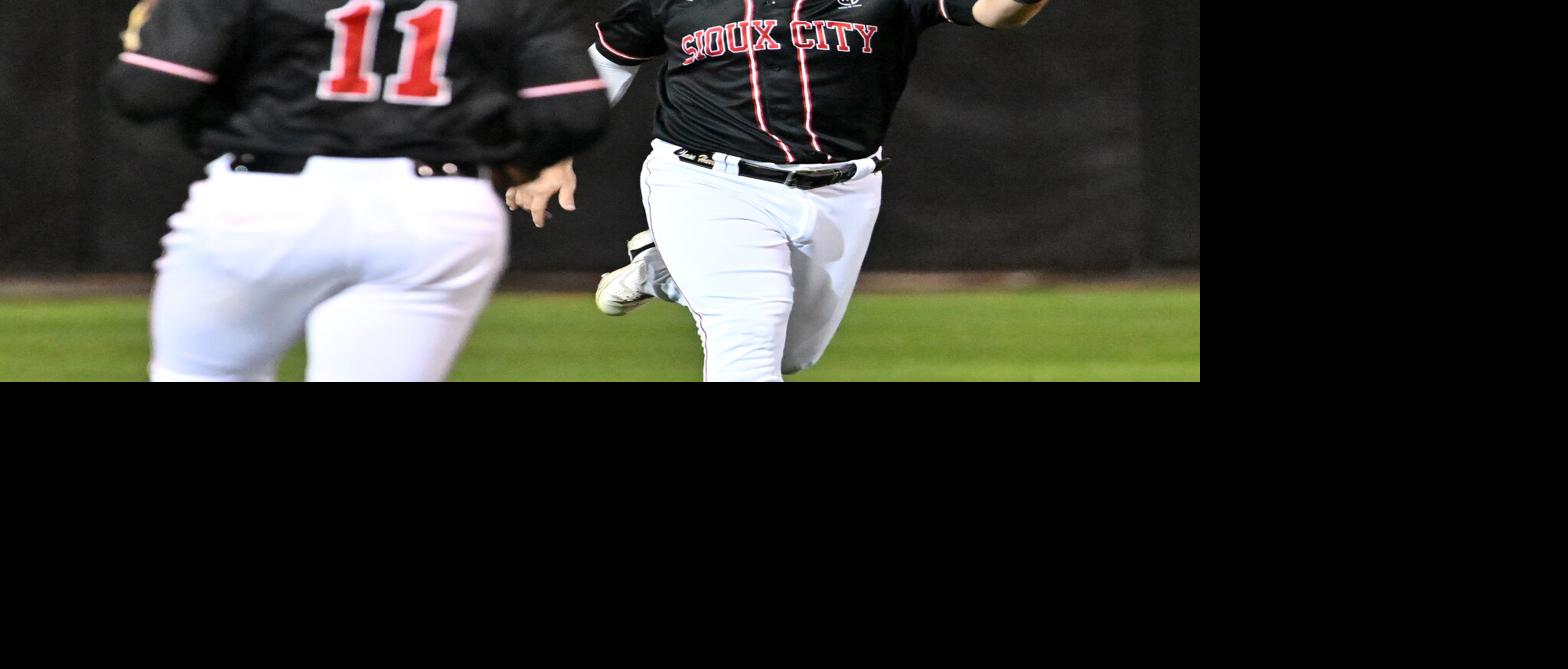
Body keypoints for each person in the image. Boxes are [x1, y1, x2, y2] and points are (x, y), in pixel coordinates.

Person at [507, 0, 1049, 382]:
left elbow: (997, 10)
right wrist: (552, 151)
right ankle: (690, 259)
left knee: (792, 355)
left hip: (842, 190)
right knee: (746, 347)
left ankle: (667, 269)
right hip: (707, 181)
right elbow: (608, 58)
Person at [104, 0, 610, 382]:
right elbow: (576, 113)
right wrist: (499, 146)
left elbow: (146, 92)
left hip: (267, 197)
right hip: (437, 207)